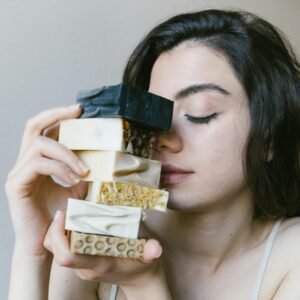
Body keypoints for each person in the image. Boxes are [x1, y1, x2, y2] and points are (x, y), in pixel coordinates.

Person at [6, 9, 300, 300]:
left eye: (200, 114)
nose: (163, 140)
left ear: (270, 136)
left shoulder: (291, 257)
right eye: (153, 116)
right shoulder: (103, 234)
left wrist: (143, 284)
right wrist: (33, 250)